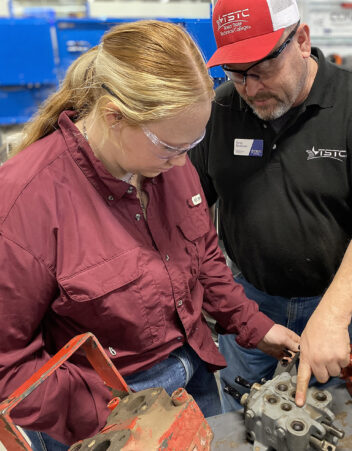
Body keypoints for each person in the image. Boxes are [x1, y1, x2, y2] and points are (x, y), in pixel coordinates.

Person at [0, 20, 300, 450]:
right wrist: (110, 417)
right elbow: (9, 365)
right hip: (101, 413)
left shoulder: (164, 163)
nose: (183, 166)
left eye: (191, 144)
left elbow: (204, 260)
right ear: (113, 117)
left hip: (193, 375)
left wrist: (254, 326)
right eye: (171, 148)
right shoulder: (22, 204)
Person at [190, 0, 352, 413]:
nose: (251, 89)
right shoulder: (220, 111)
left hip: (334, 299)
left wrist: (333, 315)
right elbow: (190, 211)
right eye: (236, 75)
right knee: (243, 410)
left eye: (262, 69)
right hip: (250, 302)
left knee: (326, 414)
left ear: (302, 41)